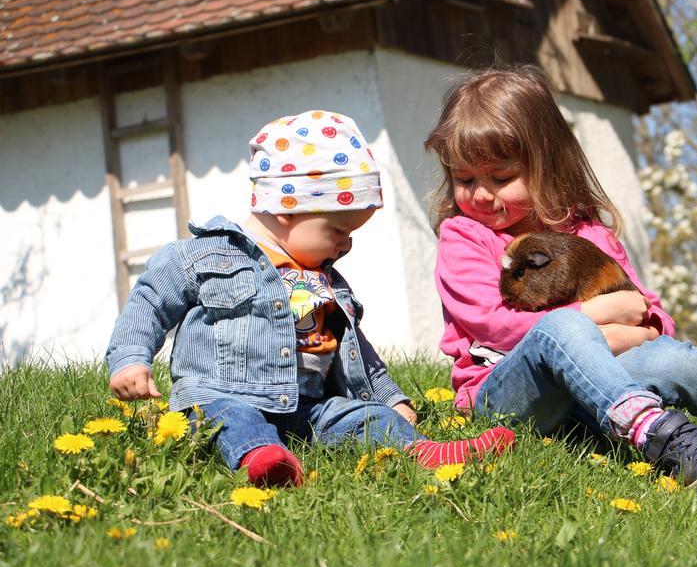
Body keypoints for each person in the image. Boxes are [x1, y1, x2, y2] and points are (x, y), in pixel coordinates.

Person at [423, 65, 697, 488]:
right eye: (464, 179)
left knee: (675, 359)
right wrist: (598, 318)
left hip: (589, 391)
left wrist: (638, 329)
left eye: (501, 177)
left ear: (547, 165)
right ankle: (660, 435)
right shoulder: (464, 237)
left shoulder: (587, 234)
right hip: (508, 398)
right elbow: (493, 325)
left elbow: (654, 322)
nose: (481, 194)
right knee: (561, 328)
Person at [107, 110, 514, 487]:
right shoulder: (207, 255)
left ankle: (424, 451)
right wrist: (130, 360)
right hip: (224, 396)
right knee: (230, 420)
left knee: (363, 418)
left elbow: (356, 353)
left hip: (309, 408)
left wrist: (392, 400)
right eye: (338, 230)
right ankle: (263, 460)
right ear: (288, 208)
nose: (346, 245)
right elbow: (149, 302)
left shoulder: (327, 283)